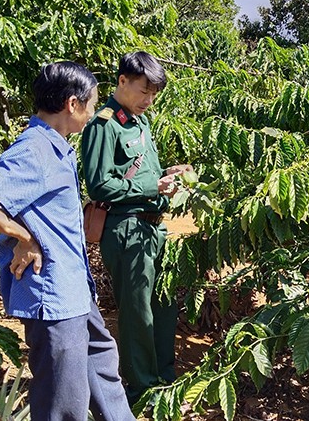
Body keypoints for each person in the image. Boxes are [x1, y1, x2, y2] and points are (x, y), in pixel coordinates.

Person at [0, 61, 135, 420]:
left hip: (74, 291)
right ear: (73, 104)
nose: (93, 113)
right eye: (92, 103)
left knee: (102, 371)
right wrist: (22, 236)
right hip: (54, 298)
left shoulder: (57, 148)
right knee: (63, 403)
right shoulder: (35, 149)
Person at [81, 51, 189, 404]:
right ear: (122, 81)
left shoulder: (140, 123)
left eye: (154, 94)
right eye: (144, 91)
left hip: (154, 228)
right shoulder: (104, 125)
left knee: (163, 305)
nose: (148, 100)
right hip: (127, 229)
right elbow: (99, 185)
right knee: (137, 312)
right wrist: (150, 188)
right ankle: (142, 388)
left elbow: (147, 174)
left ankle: (164, 378)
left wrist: (169, 177)